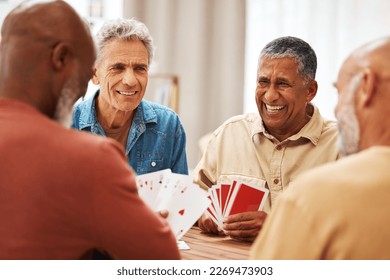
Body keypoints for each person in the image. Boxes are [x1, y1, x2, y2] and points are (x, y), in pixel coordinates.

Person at [0, 0, 179, 260]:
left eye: (140, 68)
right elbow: (162, 260)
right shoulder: (88, 158)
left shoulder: (168, 124)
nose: (83, 92)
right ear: (62, 59)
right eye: (86, 75)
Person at [251, 37, 390, 259]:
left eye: (340, 92)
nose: (336, 108)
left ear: (367, 87)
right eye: (263, 82)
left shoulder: (311, 196)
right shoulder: (229, 132)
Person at [193, 36, 339, 242]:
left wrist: (276, 226)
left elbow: (355, 228)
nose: (270, 96)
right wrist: (203, 214)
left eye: (282, 84)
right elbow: (193, 198)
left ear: (310, 91)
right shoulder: (229, 133)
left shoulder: (342, 145)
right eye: (263, 82)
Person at [72, 18, 188, 175]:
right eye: (118, 68)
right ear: (94, 74)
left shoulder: (168, 125)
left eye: (140, 68)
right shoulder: (65, 127)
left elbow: (179, 197)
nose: (130, 81)